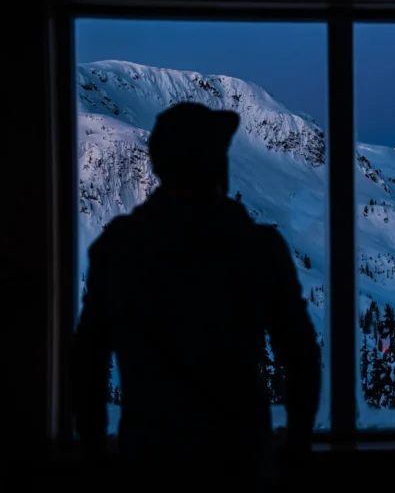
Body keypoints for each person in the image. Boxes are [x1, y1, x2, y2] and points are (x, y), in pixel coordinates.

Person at [72, 102, 321, 478]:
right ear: (218, 167)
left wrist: (94, 449)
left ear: (159, 167)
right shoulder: (258, 248)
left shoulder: (118, 249)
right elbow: (301, 356)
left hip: (148, 462)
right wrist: (298, 442)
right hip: (240, 462)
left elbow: (87, 361)